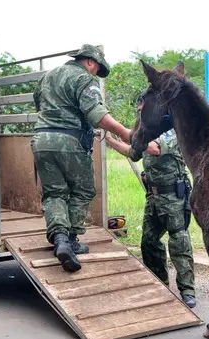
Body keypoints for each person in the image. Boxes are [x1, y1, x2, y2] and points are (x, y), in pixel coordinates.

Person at [31, 44, 148, 273]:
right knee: (82, 191)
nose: (95, 73)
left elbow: (39, 105)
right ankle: (71, 240)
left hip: (41, 140)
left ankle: (60, 239)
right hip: (70, 142)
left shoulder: (48, 77)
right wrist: (126, 133)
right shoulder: (84, 79)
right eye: (97, 68)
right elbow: (98, 116)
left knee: (54, 193)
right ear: (90, 62)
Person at [105, 62, 196, 309]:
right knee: (149, 242)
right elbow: (135, 152)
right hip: (153, 197)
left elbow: (153, 148)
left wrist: (128, 134)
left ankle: (187, 290)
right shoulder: (146, 130)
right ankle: (160, 284)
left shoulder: (173, 129)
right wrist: (112, 142)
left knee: (179, 242)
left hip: (174, 196)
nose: (142, 107)